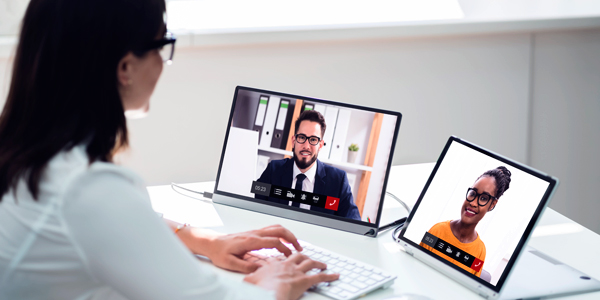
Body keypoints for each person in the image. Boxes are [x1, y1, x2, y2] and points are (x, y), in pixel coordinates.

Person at [0, 0, 338, 299]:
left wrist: (204, 241)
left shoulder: (24, 153)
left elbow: (116, 226)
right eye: (163, 44)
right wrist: (273, 283)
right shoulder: (88, 188)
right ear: (125, 68)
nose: (163, 62)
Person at [255, 110, 361, 220]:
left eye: (313, 140)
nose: (306, 146)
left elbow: (354, 222)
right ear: (293, 141)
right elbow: (253, 204)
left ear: (320, 145)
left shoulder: (337, 181)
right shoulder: (274, 170)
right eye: (301, 137)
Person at [420, 166, 511, 277]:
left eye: (483, 198)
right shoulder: (437, 230)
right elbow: (416, 265)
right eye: (472, 194)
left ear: (492, 204)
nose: (473, 203)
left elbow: (469, 285)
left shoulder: (480, 251)